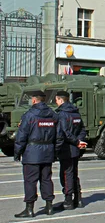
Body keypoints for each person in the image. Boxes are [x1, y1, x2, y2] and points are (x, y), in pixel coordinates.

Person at [13, 90, 58, 218]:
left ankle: (29, 209)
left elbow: (21, 136)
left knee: (30, 181)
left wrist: (17, 153)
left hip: (32, 153)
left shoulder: (29, 115)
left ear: (34, 100)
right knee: (46, 179)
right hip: (48, 151)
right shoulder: (52, 115)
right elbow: (58, 135)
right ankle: (49, 207)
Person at [55, 90, 88, 210]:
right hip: (75, 149)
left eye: (56, 99)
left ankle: (68, 201)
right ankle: (78, 199)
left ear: (60, 100)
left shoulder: (62, 114)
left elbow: (64, 133)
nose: (56, 101)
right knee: (74, 173)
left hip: (66, 148)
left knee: (66, 174)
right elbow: (82, 130)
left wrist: (76, 141)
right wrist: (79, 141)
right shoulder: (75, 112)